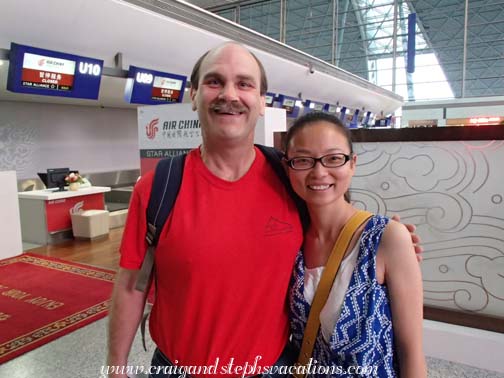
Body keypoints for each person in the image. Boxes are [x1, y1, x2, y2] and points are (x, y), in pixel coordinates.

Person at [107, 42, 422, 378]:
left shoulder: (287, 179)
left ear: (261, 102)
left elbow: (335, 221)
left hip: (271, 369)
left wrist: (389, 240)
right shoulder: (158, 187)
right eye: (215, 82)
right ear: (194, 95)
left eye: (244, 84)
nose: (229, 94)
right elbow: (131, 285)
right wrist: (116, 368)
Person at [285, 112, 426, 377]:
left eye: (334, 158)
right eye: (303, 160)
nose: (319, 172)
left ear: (352, 164)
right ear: (287, 167)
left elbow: (412, 352)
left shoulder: (386, 238)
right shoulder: (290, 241)